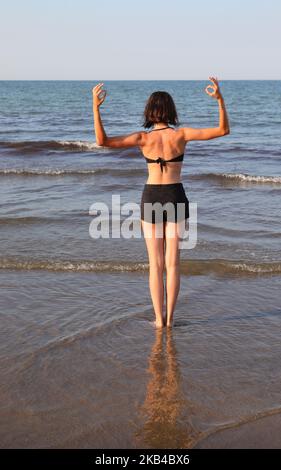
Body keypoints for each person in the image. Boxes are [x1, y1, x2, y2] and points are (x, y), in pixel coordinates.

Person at [93, 77, 230, 328]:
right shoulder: (182, 135)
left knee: (155, 265)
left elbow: (103, 142)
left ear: (149, 112)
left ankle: (158, 319)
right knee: (173, 262)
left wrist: (95, 107)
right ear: (171, 111)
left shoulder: (143, 139)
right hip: (176, 196)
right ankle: (171, 319)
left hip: (151, 197)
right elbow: (223, 130)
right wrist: (220, 100)